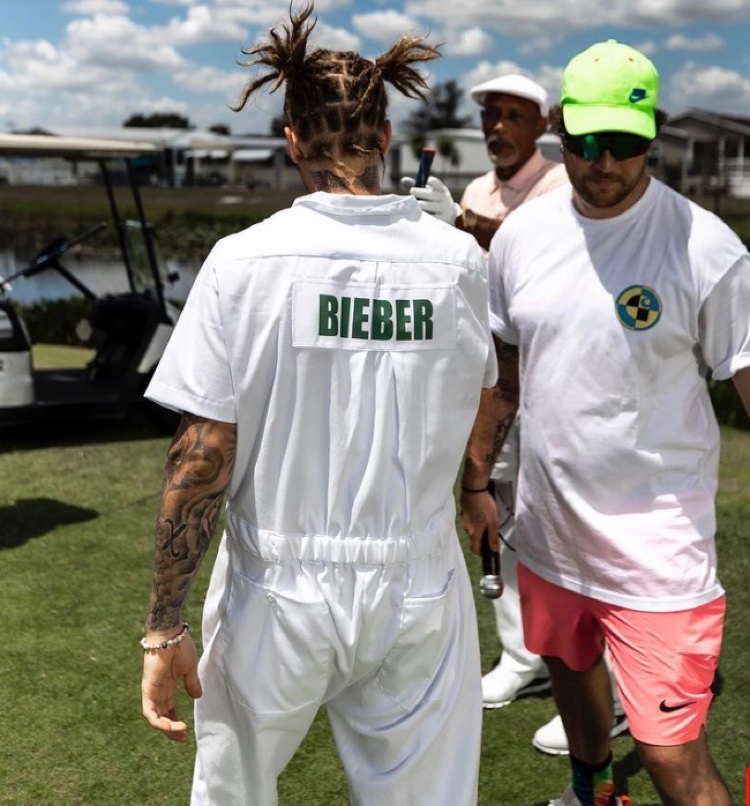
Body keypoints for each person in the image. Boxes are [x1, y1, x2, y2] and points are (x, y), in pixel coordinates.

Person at [139, 6, 498, 806]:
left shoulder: (244, 262)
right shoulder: (459, 262)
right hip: (419, 585)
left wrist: (165, 622)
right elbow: (486, 389)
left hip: (278, 591)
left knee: (235, 796)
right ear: (385, 133)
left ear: (293, 139)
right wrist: (475, 486)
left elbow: (202, 451)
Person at [461, 39, 750, 806]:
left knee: (668, 757)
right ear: (560, 133)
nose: (603, 162)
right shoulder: (522, 235)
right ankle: (592, 793)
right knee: (574, 683)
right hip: (551, 536)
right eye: (585, 143)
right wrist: (476, 480)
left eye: (623, 144)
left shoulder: (707, 249)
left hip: (659, 561)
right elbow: (506, 372)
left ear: (651, 134)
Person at [406, 73, 626, 755]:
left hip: (560, 390)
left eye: (512, 116)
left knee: (574, 532)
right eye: (490, 116)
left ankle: (611, 691)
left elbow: (540, 250)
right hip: (494, 384)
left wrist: (465, 226)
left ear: (542, 127)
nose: (497, 127)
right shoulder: (474, 189)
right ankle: (525, 658)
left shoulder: (565, 182)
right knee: (495, 520)